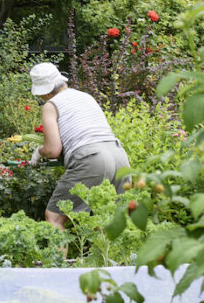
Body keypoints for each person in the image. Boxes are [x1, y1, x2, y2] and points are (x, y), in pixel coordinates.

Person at [27, 62, 130, 230]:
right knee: (108, 221)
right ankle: (113, 257)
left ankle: (57, 257)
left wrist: (39, 152)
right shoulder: (85, 96)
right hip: (118, 155)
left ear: (44, 91)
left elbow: (53, 150)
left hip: (92, 158)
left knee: (55, 218)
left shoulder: (50, 105)